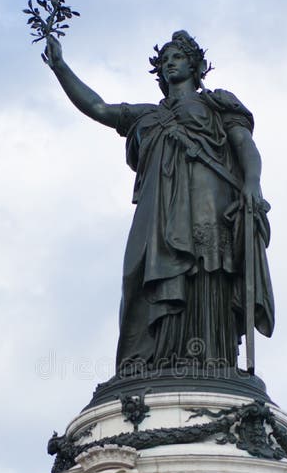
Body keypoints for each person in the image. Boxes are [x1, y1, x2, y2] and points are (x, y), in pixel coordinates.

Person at [44, 30, 274, 373]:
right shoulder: (147, 116)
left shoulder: (216, 105)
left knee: (205, 269)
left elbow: (245, 147)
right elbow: (99, 108)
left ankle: (212, 360)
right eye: (164, 60)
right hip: (158, 211)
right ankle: (152, 358)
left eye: (177, 57)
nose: (169, 64)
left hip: (208, 200)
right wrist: (61, 67)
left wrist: (253, 182)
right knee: (140, 273)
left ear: (195, 66)